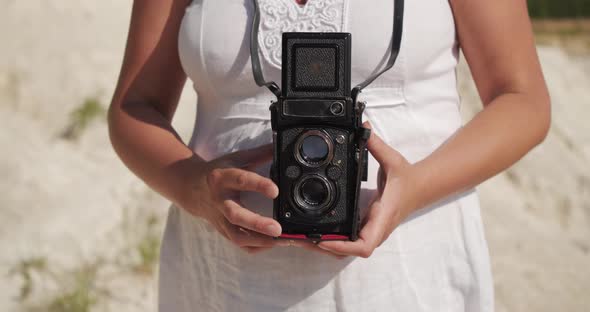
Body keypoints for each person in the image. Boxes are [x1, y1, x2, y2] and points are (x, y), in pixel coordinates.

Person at [107, 0, 550, 311]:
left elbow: (523, 98)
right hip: (224, 281)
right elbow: (134, 106)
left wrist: (414, 188)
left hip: (407, 273)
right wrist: (193, 187)